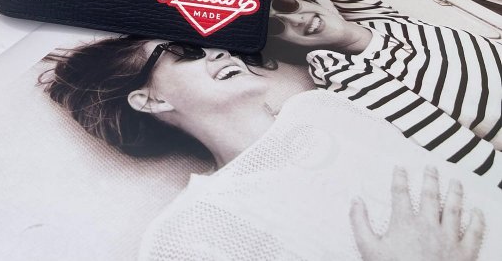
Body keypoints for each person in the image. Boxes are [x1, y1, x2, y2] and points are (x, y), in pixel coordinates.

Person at [42, 37, 500, 260]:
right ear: (151, 100)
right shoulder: (187, 235)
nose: (218, 52)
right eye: (185, 50)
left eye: (214, 42)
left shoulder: (327, 105)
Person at [269, 0, 502, 188]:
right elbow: (467, 154)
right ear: (284, 47)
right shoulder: (345, 72)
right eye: (276, 26)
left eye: (285, 3)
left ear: (307, 0)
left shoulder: (376, 17)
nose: (297, 20)